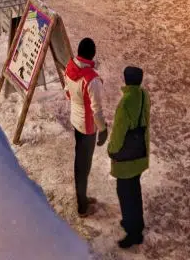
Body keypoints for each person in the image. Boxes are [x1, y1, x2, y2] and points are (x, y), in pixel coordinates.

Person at [62, 36, 108, 218]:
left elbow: (67, 92)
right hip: (88, 126)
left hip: (75, 119)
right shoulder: (92, 80)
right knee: (83, 164)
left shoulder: (70, 67)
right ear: (92, 54)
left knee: (80, 160)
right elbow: (96, 111)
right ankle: (82, 204)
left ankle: (82, 196)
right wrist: (103, 129)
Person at [109, 65, 150, 250]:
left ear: (125, 80)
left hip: (127, 158)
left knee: (125, 194)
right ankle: (137, 224)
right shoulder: (143, 96)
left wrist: (112, 150)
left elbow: (118, 132)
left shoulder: (125, 102)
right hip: (140, 152)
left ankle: (133, 233)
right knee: (135, 190)